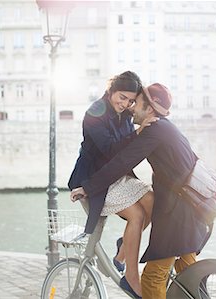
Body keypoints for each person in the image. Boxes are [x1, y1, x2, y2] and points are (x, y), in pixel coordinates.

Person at [71, 83, 210, 299]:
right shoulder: (166, 127)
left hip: (176, 213)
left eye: (136, 103)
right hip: (193, 210)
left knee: (152, 279)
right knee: (189, 274)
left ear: (150, 109)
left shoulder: (154, 130)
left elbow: (122, 162)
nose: (132, 108)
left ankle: (127, 261)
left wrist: (88, 187)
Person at [67, 71, 156, 298]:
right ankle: (131, 278)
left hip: (116, 174)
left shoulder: (124, 113)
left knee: (153, 201)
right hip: (94, 179)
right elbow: (110, 149)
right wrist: (139, 131)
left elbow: (126, 152)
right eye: (122, 97)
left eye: (130, 100)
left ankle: (121, 251)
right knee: (136, 215)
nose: (125, 104)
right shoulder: (94, 113)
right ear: (111, 91)